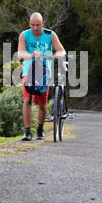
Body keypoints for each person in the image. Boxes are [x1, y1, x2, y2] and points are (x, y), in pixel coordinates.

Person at [18, 12, 66, 141]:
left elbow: (61, 50)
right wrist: (31, 55)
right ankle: (27, 132)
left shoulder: (49, 34)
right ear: (29, 24)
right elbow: (20, 54)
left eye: (38, 25)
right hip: (29, 71)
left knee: (42, 104)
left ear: (42, 24)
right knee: (27, 100)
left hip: (45, 73)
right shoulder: (24, 35)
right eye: (33, 25)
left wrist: (58, 55)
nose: (35, 28)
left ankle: (40, 128)